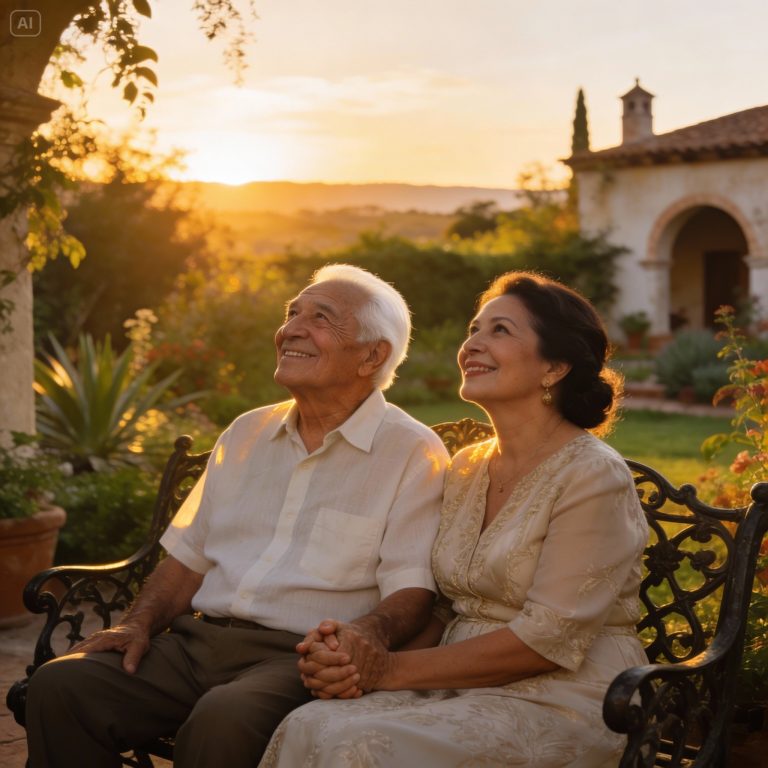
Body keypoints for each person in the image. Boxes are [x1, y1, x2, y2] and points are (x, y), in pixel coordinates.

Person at [25, 264, 449, 768]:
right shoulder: (246, 433)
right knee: (60, 686)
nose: (291, 329)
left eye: (320, 317)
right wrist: (136, 624)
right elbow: (188, 559)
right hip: (194, 645)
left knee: (224, 718)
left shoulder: (410, 451)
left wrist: (366, 636)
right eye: (292, 313)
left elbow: (412, 591)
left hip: (298, 658)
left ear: (372, 355)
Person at [259, 270, 650, 768]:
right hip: (454, 682)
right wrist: (353, 658)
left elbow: (546, 642)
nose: (472, 345)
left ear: (554, 367)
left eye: (500, 331)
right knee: (307, 722)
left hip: (567, 695)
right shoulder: (468, 465)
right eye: (473, 330)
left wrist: (387, 670)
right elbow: (446, 608)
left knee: (359, 745)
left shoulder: (593, 476)